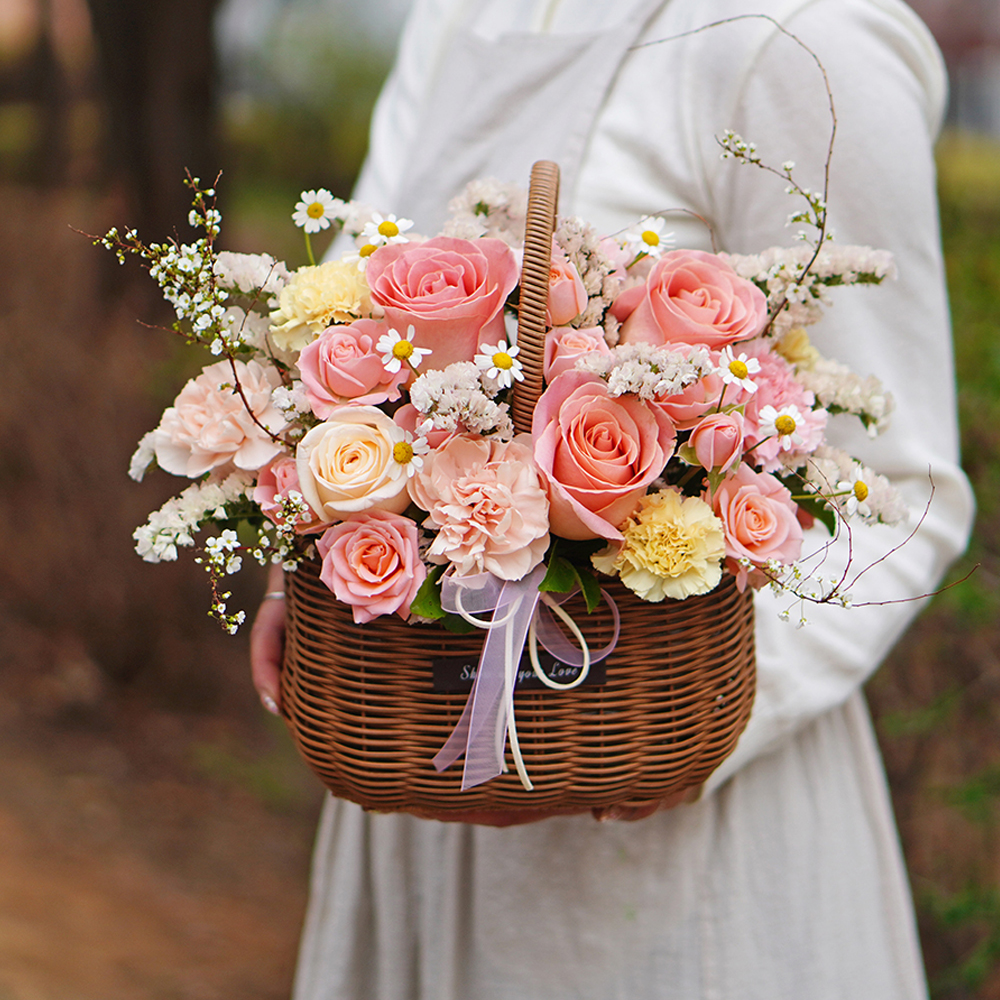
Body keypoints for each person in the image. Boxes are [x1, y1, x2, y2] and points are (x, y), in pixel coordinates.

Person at [251, 1, 975, 996]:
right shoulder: (452, 18)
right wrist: (310, 562)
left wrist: (699, 715)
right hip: (419, 765)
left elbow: (900, 484)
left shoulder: (801, 36)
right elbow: (345, 326)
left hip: (675, 846)